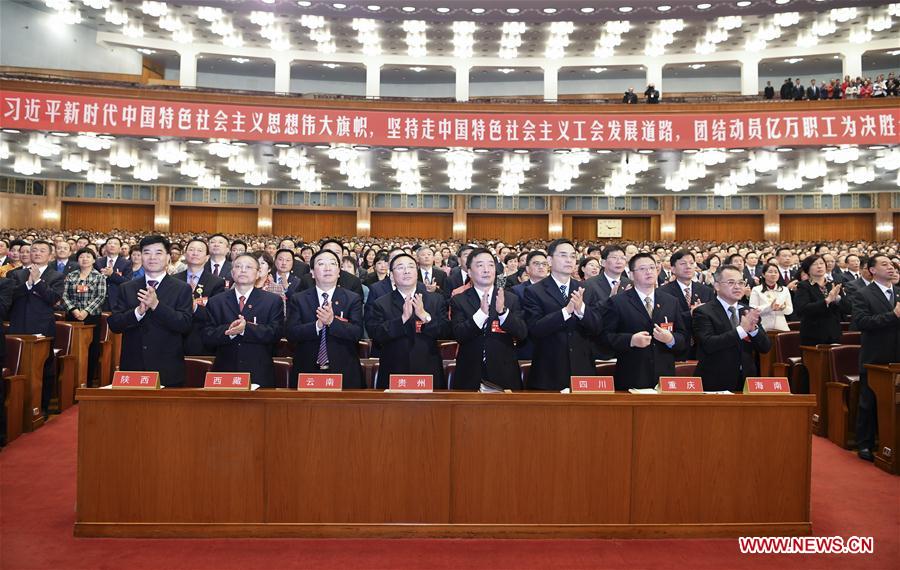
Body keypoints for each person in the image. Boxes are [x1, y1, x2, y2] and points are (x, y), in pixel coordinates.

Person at [107, 235, 193, 387]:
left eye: (158, 253)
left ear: (168, 257)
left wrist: (156, 305)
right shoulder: (127, 287)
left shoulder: (182, 288)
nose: (152, 257)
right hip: (134, 366)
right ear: (140, 256)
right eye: (147, 252)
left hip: (167, 368)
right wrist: (137, 313)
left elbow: (184, 324)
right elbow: (115, 324)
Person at [523, 239, 601, 391]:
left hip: (582, 370)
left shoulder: (586, 289)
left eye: (572, 256)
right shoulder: (534, 291)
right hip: (549, 371)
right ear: (550, 260)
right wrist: (566, 311)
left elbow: (597, 327)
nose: (569, 260)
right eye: (563, 255)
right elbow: (535, 329)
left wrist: (581, 310)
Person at [601, 253, 686, 391]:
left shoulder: (671, 301)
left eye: (652, 267)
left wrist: (671, 339)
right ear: (631, 275)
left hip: (664, 378)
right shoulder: (618, 302)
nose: (649, 272)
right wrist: (631, 340)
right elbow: (605, 338)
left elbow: (683, 337)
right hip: (632, 376)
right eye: (642, 269)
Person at [365, 253, 449, 389]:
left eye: (411, 267)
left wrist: (425, 316)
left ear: (417, 272)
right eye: (400, 267)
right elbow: (376, 334)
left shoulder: (435, 300)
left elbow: (445, 331)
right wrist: (402, 319)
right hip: (393, 370)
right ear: (391, 275)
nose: (406, 271)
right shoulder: (381, 303)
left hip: (428, 370)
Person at [450, 248, 527, 391]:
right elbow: (459, 335)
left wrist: (503, 313)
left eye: (491, 265)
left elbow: (522, 334)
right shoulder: (459, 300)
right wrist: (481, 314)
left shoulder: (510, 298)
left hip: (505, 374)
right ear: (469, 272)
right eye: (480, 265)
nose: (486, 270)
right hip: (469, 374)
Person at [203, 253, 284, 388]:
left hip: (259, 372)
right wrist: (231, 330)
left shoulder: (272, 300)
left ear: (258, 273)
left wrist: (246, 329)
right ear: (232, 272)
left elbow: (276, 333)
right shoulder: (217, 301)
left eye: (248, 267)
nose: (243, 270)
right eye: (238, 266)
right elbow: (207, 336)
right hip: (225, 372)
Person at [286, 249, 364, 389]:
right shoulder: (299, 299)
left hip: (344, 370)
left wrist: (332, 322)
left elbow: (357, 333)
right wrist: (317, 325)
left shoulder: (352, 298)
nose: (328, 268)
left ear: (339, 271)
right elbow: (291, 333)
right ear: (312, 272)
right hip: (307, 369)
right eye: (321, 264)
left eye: (333, 264)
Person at [850, 254, 900, 462]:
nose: (891, 268)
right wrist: (893, 316)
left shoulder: (898, 293)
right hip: (875, 357)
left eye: (892, 265)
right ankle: (865, 444)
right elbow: (861, 322)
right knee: (868, 403)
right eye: (884, 264)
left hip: (897, 356)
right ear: (872, 270)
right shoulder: (863, 294)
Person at [6, 240, 65, 412]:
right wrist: (28, 284)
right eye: (34, 250)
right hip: (18, 326)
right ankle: (17, 410)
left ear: (50, 255)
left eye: (42, 250)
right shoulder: (16, 275)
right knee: (17, 367)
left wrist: (38, 282)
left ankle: (42, 408)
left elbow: (53, 298)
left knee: (43, 368)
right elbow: (11, 296)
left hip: (43, 328)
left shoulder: (56, 276)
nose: (37, 253)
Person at [693, 265, 772, 392]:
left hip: (747, 381)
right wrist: (742, 330)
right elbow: (709, 344)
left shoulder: (748, 311)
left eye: (741, 282)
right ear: (717, 285)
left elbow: (765, 347)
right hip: (715, 381)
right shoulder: (703, 312)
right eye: (731, 282)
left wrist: (753, 330)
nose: (737, 286)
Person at [173, 238, 226, 356]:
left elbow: (215, 314)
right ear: (185, 255)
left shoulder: (216, 282)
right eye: (191, 250)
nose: (195, 253)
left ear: (207, 257)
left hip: (201, 340)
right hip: (175, 338)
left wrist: (194, 307)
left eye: (200, 250)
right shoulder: (173, 280)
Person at [659, 249, 715, 359]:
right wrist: (690, 313)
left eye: (691, 263)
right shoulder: (663, 292)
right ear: (673, 269)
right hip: (675, 349)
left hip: (701, 349)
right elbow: (664, 320)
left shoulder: (706, 290)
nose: (688, 266)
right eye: (683, 263)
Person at [62, 247, 106, 384]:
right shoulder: (71, 276)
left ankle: (87, 381)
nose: (84, 259)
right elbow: (64, 295)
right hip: (72, 317)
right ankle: (71, 382)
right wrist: (74, 310)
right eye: (81, 256)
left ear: (94, 259)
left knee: (91, 350)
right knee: (72, 349)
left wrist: (86, 311)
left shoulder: (99, 276)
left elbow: (100, 297)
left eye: (88, 256)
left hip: (92, 317)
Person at [793, 255, 843, 346]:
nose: (819, 266)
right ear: (808, 269)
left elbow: (847, 308)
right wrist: (826, 301)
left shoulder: (833, 284)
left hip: (834, 333)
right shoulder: (803, 286)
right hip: (813, 334)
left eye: (821, 263)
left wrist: (838, 299)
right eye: (815, 264)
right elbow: (802, 309)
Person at [293, 239, 364, 297]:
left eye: (336, 252)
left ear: (342, 256)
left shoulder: (353, 281)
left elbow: (356, 311)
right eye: (327, 251)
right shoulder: (307, 280)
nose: (331, 255)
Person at [749, 264, 793, 333]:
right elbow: (753, 309)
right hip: (764, 327)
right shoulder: (756, 289)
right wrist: (770, 307)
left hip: (781, 327)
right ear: (763, 274)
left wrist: (783, 308)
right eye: (770, 272)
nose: (773, 274)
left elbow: (790, 310)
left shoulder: (784, 289)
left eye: (776, 272)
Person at [95, 236, 132, 310]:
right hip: (99, 300)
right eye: (110, 243)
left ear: (120, 248)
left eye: (115, 244)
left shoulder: (127, 263)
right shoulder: (98, 262)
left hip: (117, 300)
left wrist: (112, 275)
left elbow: (127, 282)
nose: (112, 245)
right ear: (105, 247)